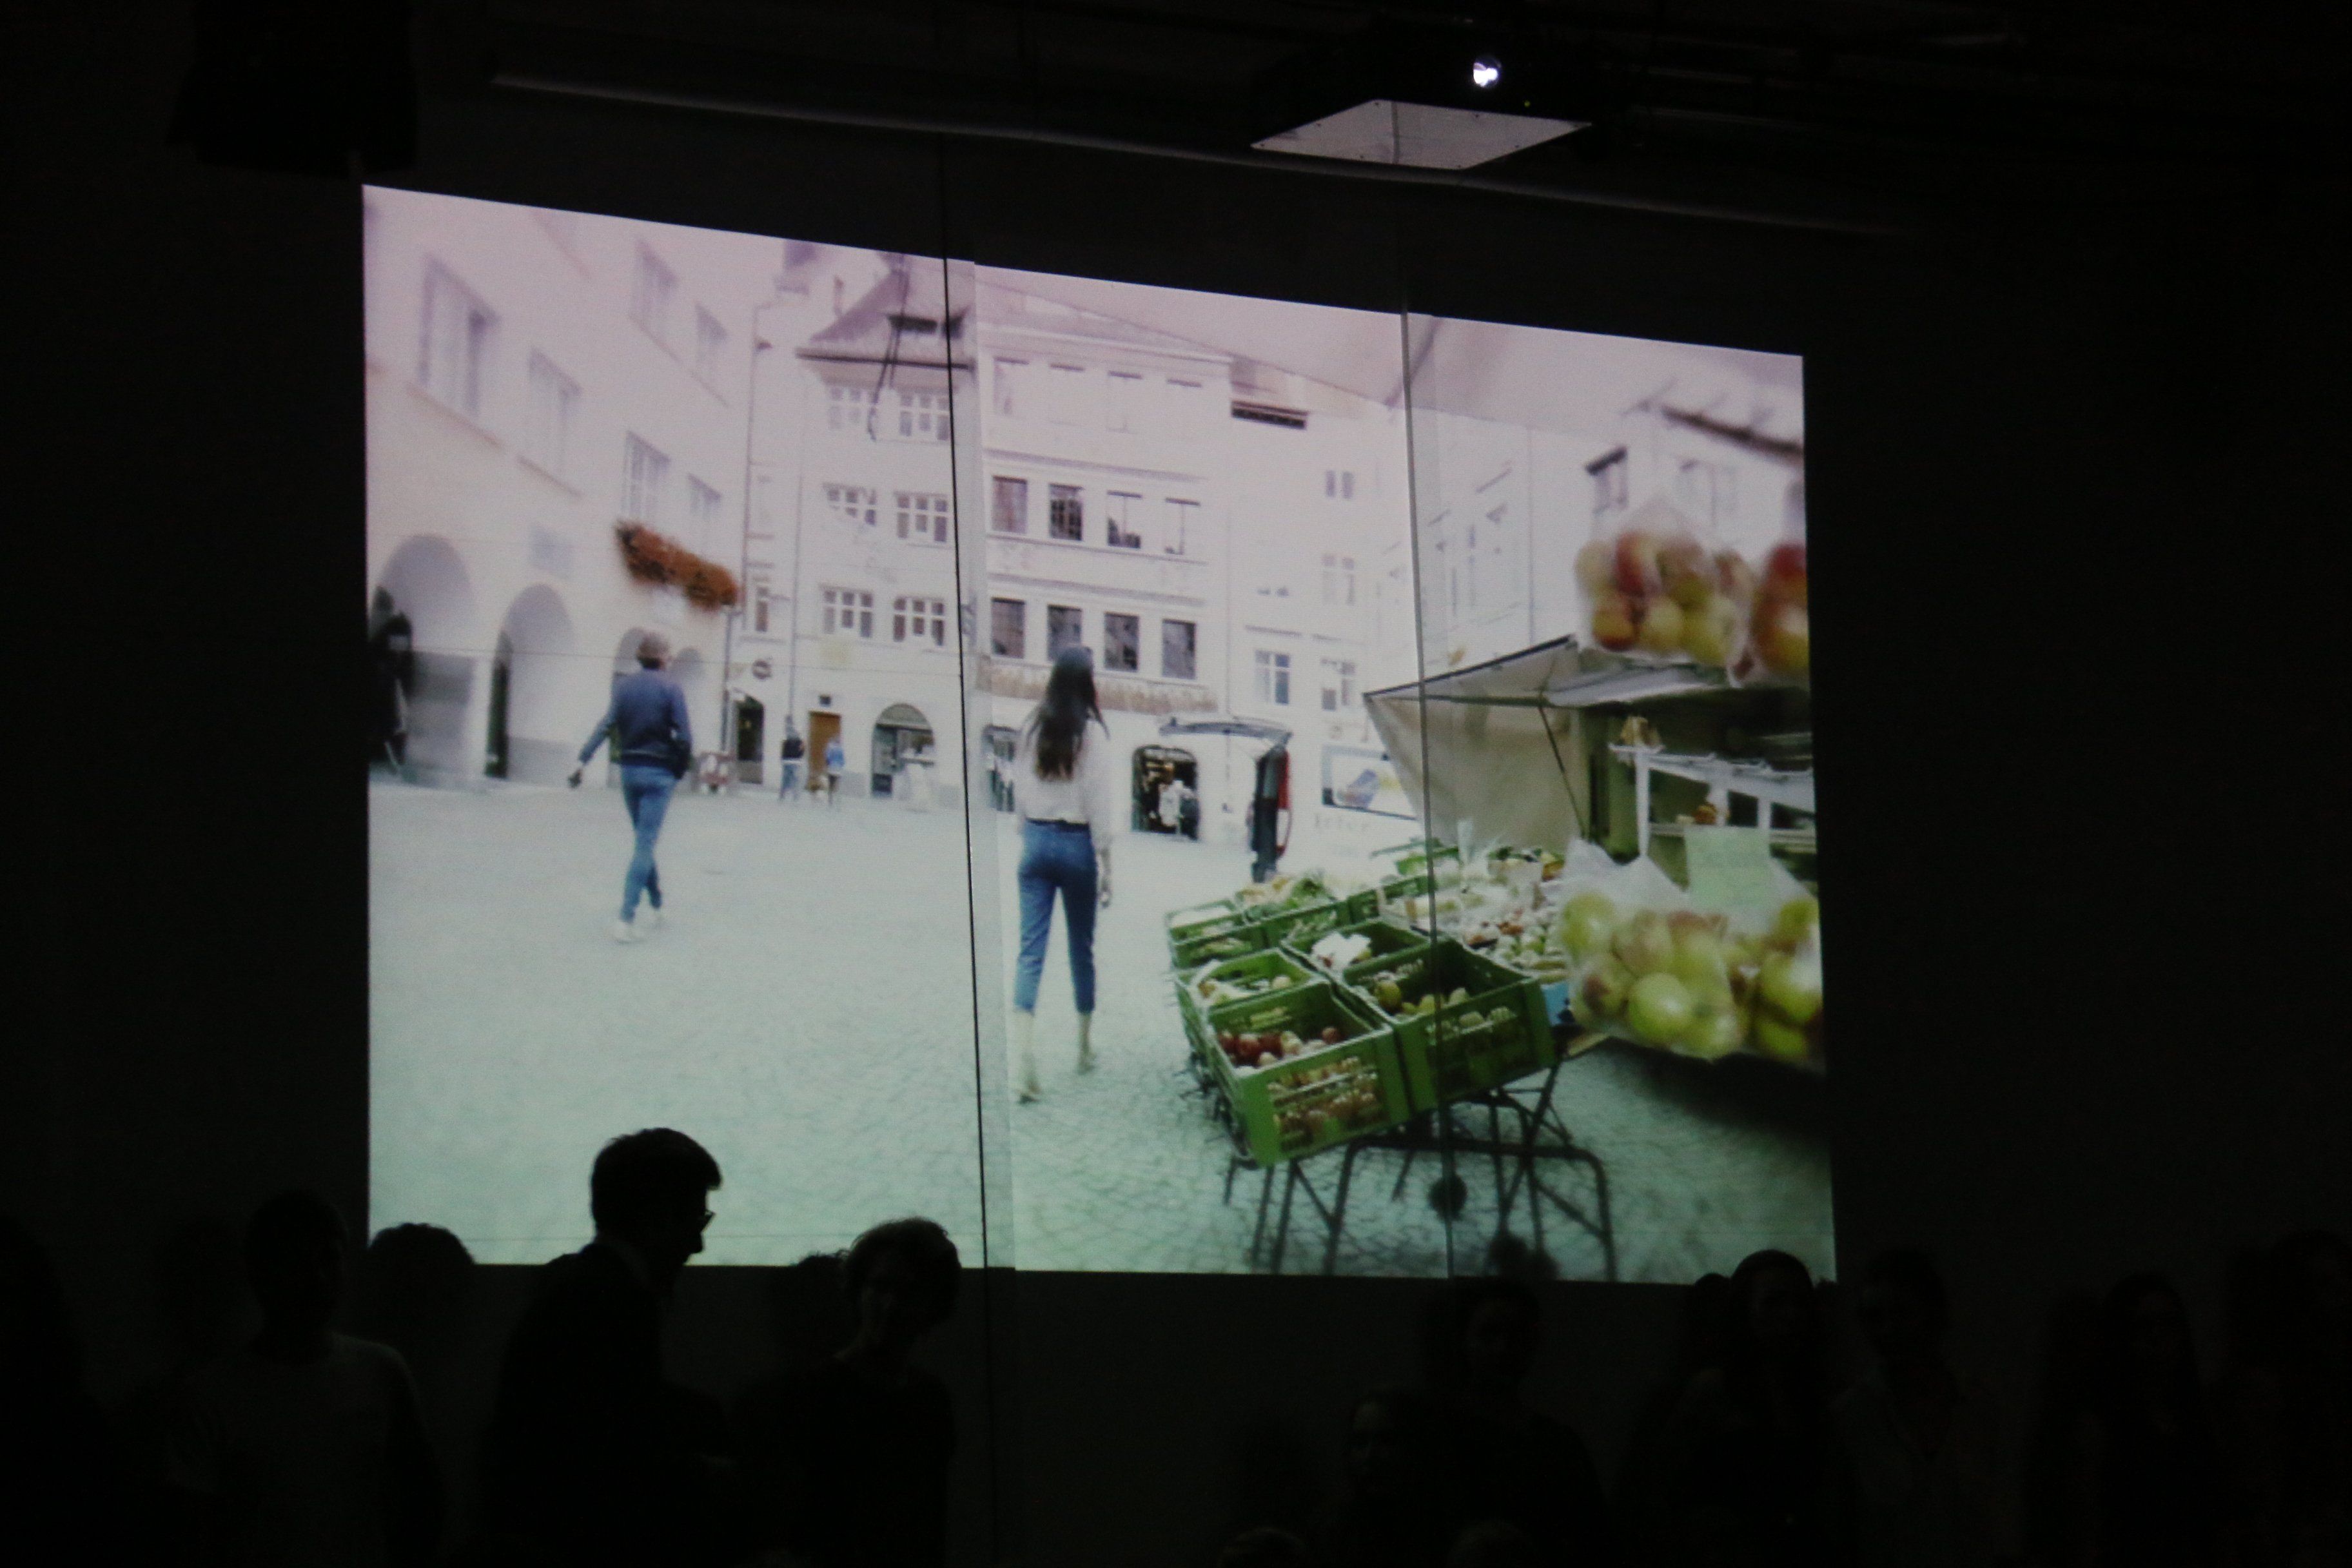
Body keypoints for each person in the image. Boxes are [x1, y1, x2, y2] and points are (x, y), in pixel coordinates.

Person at [478, 1129, 730, 1568]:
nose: (698, 1244)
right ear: (658, 1217)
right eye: (696, 1221)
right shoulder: (614, 1301)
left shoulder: (582, 1290)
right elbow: (614, 1456)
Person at [168, 1190, 441, 1567]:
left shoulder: (382, 1370)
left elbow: (420, 1502)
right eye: (296, 1261)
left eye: (328, 1259)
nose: (316, 1278)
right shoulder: (208, 1394)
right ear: (259, 1272)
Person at [736, 1218, 962, 1568]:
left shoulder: (930, 1400)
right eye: (881, 1287)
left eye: (910, 1292)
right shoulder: (802, 1396)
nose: (891, 1305)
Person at [1653, 1249, 1849, 1567]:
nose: (1791, 1314)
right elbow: (1661, 1492)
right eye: (1774, 1302)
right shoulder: (1713, 1390)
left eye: (1801, 1302)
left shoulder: (1825, 1395)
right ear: (1744, 1309)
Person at [1832, 1249, 2013, 1568]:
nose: (1888, 1329)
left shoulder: (1979, 1406)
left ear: (1933, 1314)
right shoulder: (1851, 1416)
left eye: (1902, 1313)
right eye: (1875, 1317)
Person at [1425, 1275, 1617, 1567]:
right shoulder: (1432, 1436)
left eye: (1516, 1336)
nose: (1502, 1349)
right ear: (1463, 1340)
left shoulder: (1560, 1445)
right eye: (1489, 1334)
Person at [1008, 645, 1114, 1102]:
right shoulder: (1092, 734)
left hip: (1035, 840)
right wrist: (1107, 864)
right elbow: (1099, 802)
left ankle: (1022, 1059)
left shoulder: (1032, 726)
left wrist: (1027, 832)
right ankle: (1084, 1047)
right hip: (1076, 845)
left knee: (1030, 953)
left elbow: (1018, 786)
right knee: (1081, 950)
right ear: (1088, 682)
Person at [569, 633, 691, 944]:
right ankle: (625, 919)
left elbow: (606, 725)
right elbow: (685, 736)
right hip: (659, 773)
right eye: (669, 655)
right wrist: (678, 770)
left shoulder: (623, 687)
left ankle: (658, 903)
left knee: (643, 842)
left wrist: (583, 760)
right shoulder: (671, 687)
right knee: (645, 844)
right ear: (662, 657)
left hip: (630, 772)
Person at [778, 722, 805, 801]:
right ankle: (795, 796)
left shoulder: (786, 741)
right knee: (795, 780)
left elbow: (783, 751)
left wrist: (782, 759)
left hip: (787, 761)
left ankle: (782, 795)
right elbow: (802, 752)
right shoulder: (801, 742)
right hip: (796, 762)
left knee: (785, 780)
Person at [822, 731, 846, 806]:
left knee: (830, 783)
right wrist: (840, 765)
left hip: (831, 768)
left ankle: (830, 798)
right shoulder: (841, 749)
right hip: (838, 769)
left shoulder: (830, 748)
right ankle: (837, 797)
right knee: (837, 782)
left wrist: (827, 766)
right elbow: (843, 761)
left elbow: (828, 758)